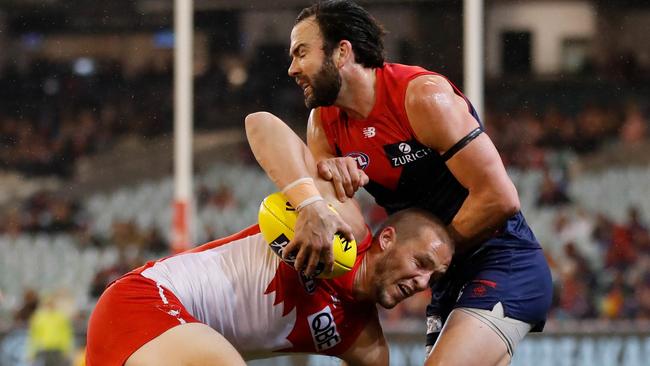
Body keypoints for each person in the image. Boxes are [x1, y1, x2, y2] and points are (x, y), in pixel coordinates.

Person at [244, 1, 553, 365]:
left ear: (342, 52)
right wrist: (330, 181)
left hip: (503, 261)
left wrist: (422, 254)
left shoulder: (421, 97)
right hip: (441, 277)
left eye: (302, 52)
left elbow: (500, 199)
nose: (292, 68)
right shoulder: (323, 124)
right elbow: (335, 211)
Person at [85, 123, 454, 366]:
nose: (421, 283)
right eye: (421, 262)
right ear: (387, 238)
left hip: (162, 344)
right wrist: (310, 203)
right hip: (143, 302)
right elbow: (260, 123)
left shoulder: (367, 345)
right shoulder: (346, 225)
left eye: (432, 279)